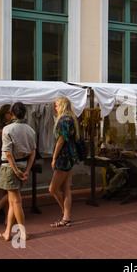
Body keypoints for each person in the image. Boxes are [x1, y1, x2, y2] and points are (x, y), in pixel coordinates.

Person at [0, 102, 36, 242]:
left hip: (10, 167)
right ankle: (8, 232)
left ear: (12, 114)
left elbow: (8, 153)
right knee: (13, 200)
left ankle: (23, 232)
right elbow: (33, 153)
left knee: (16, 201)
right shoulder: (30, 130)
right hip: (22, 165)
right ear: (24, 113)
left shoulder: (7, 129)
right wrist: (26, 170)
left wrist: (16, 171)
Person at [49, 96, 80, 227]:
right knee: (66, 188)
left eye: (56, 105)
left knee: (53, 188)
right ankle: (66, 215)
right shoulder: (71, 118)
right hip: (69, 156)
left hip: (63, 157)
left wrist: (54, 158)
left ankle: (65, 213)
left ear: (61, 106)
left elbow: (60, 141)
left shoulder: (63, 120)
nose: (55, 108)